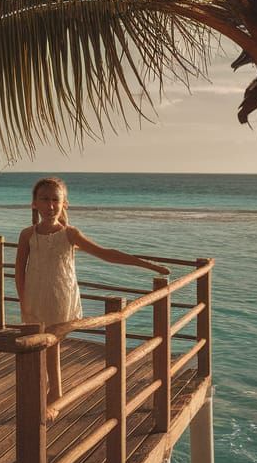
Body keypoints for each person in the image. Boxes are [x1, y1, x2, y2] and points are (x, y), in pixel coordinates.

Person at [14, 176, 170, 419]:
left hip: (60, 296)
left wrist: (146, 264)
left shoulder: (70, 234)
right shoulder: (27, 234)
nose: (50, 205)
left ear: (65, 204)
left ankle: (55, 394)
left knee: (52, 343)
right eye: (44, 199)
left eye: (56, 200)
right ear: (34, 203)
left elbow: (105, 254)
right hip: (34, 298)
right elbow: (19, 269)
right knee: (39, 346)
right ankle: (48, 390)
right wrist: (23, 300)